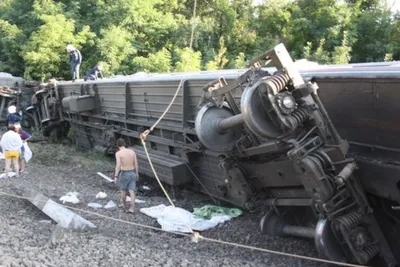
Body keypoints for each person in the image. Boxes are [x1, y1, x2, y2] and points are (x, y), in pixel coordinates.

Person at [114, 138, 139, 214]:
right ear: (124, 144)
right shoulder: (132, 152)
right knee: (132, 191)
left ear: (118, 145)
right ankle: (132, 208)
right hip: (132, 173)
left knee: (123, 190)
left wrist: (116, 176)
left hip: (124, 173)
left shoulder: (118, 153)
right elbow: (136, 163)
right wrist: (137, 173)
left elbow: (118, 165)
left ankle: (123, 204)